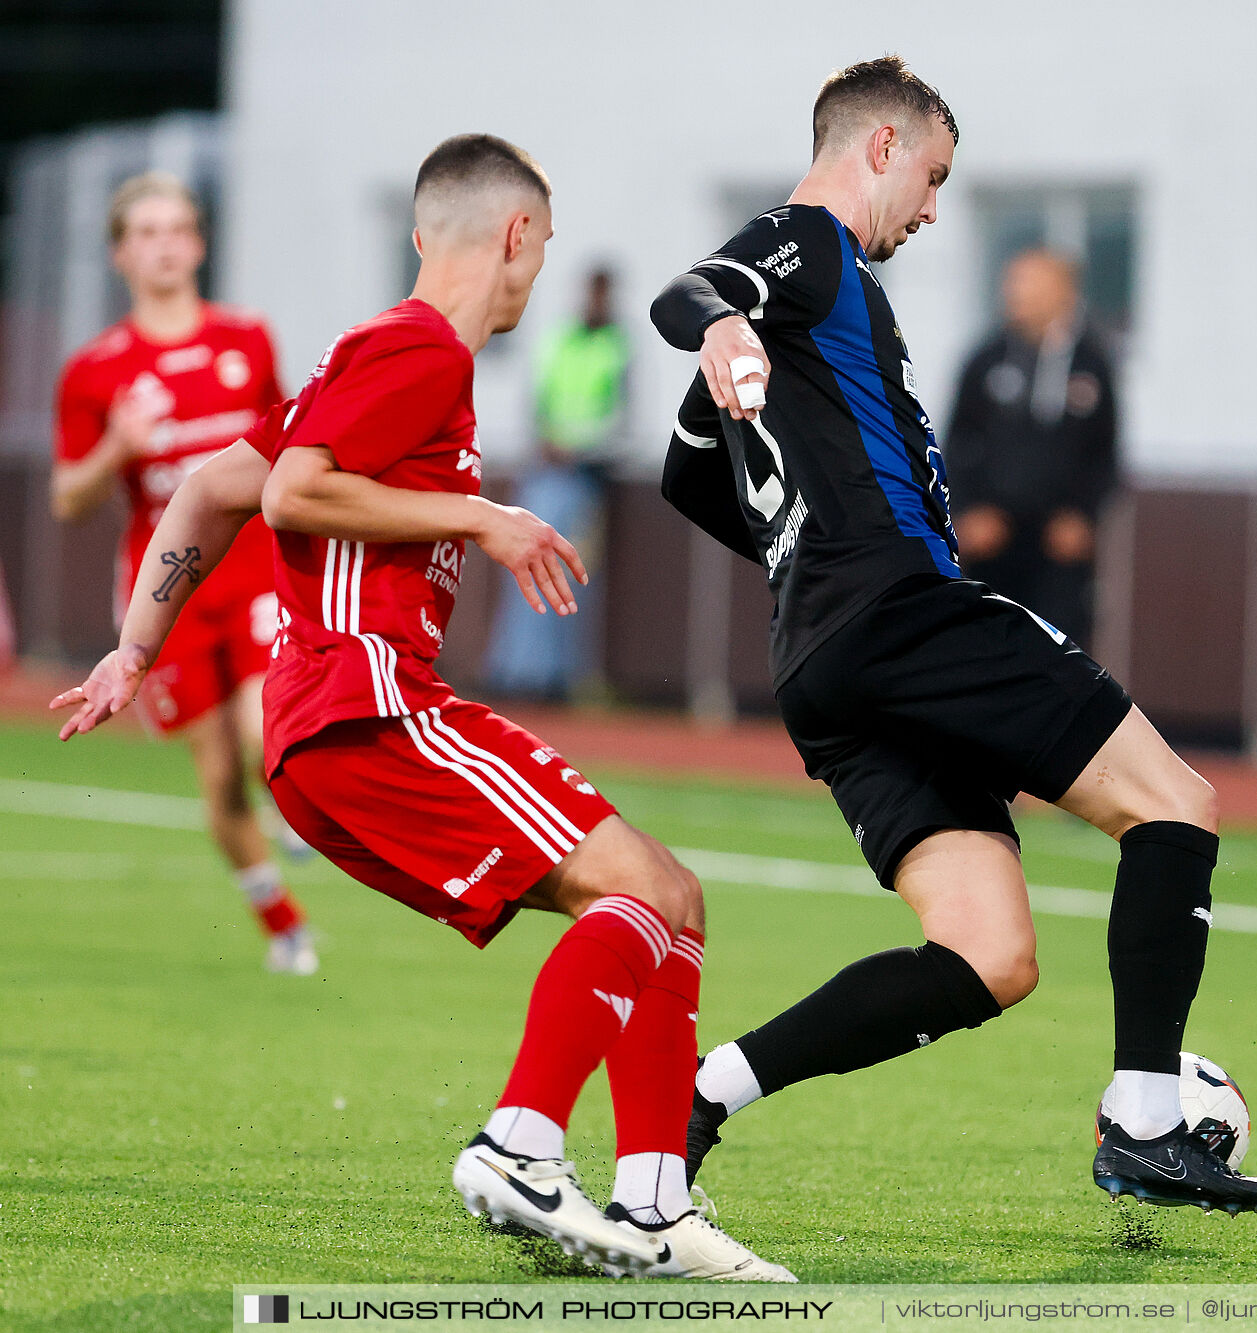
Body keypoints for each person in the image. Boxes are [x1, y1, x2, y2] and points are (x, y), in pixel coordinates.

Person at [52, 135, 792, 1282]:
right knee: (643, 887)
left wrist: (129, 649)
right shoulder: (421, 351)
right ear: (513, 237)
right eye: (536, 248)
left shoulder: (365, 357)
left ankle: (654, 1201)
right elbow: (296, 491)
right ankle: (521, 1144)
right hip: (369, 702)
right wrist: (483, 516)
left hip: (330, 728)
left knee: (669, 897)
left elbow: (211, 486)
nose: (535, 274)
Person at [651, 57, 1257, 1217]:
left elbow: (685, 478)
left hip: (821, 661)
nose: (935, 209)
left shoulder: (808, 311)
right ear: (881, 147)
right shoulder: (809, 243)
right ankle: (1147, 1120)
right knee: (1175, 802)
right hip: (902, 611)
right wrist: (718, 333)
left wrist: (801, 553)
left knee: (989, 955)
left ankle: (694, 1100)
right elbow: (688, 294)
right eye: (934, 177)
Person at [52, 172, 315, 975]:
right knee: (218, 780)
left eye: (179, 228)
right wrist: (117, 448)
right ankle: (283, 924)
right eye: (148, 231)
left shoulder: (246, 341)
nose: (166, 244)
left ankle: (303, 809)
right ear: (121, 253)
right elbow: (67, 497)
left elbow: (291, 444)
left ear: (199, 243)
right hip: (165, 591)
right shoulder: (96, 371)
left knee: (260, 725)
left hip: (254, 572)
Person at [947, 249, 1118, 646]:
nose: (1013, 294)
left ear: (1063, 291)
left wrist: (1084, 516)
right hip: (994, 536)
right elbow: (957, 442)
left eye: (1027, 284)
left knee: (1062, 650)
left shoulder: (1092, 364)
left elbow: (1104, 453)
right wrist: (968, 510)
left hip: (1059, 543)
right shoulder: (985, 359)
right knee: (986, 642)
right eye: (1011, 283)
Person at [484, 265, 628, 700]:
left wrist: (579, 449)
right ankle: (513, 672)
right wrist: (546, 443)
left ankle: (554, 678)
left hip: (585, 479)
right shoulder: (560, 339)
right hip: (545, 472)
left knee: (569, 576)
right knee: (526, 568)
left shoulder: (619, 347)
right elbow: (538, 400)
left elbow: (621, 421)